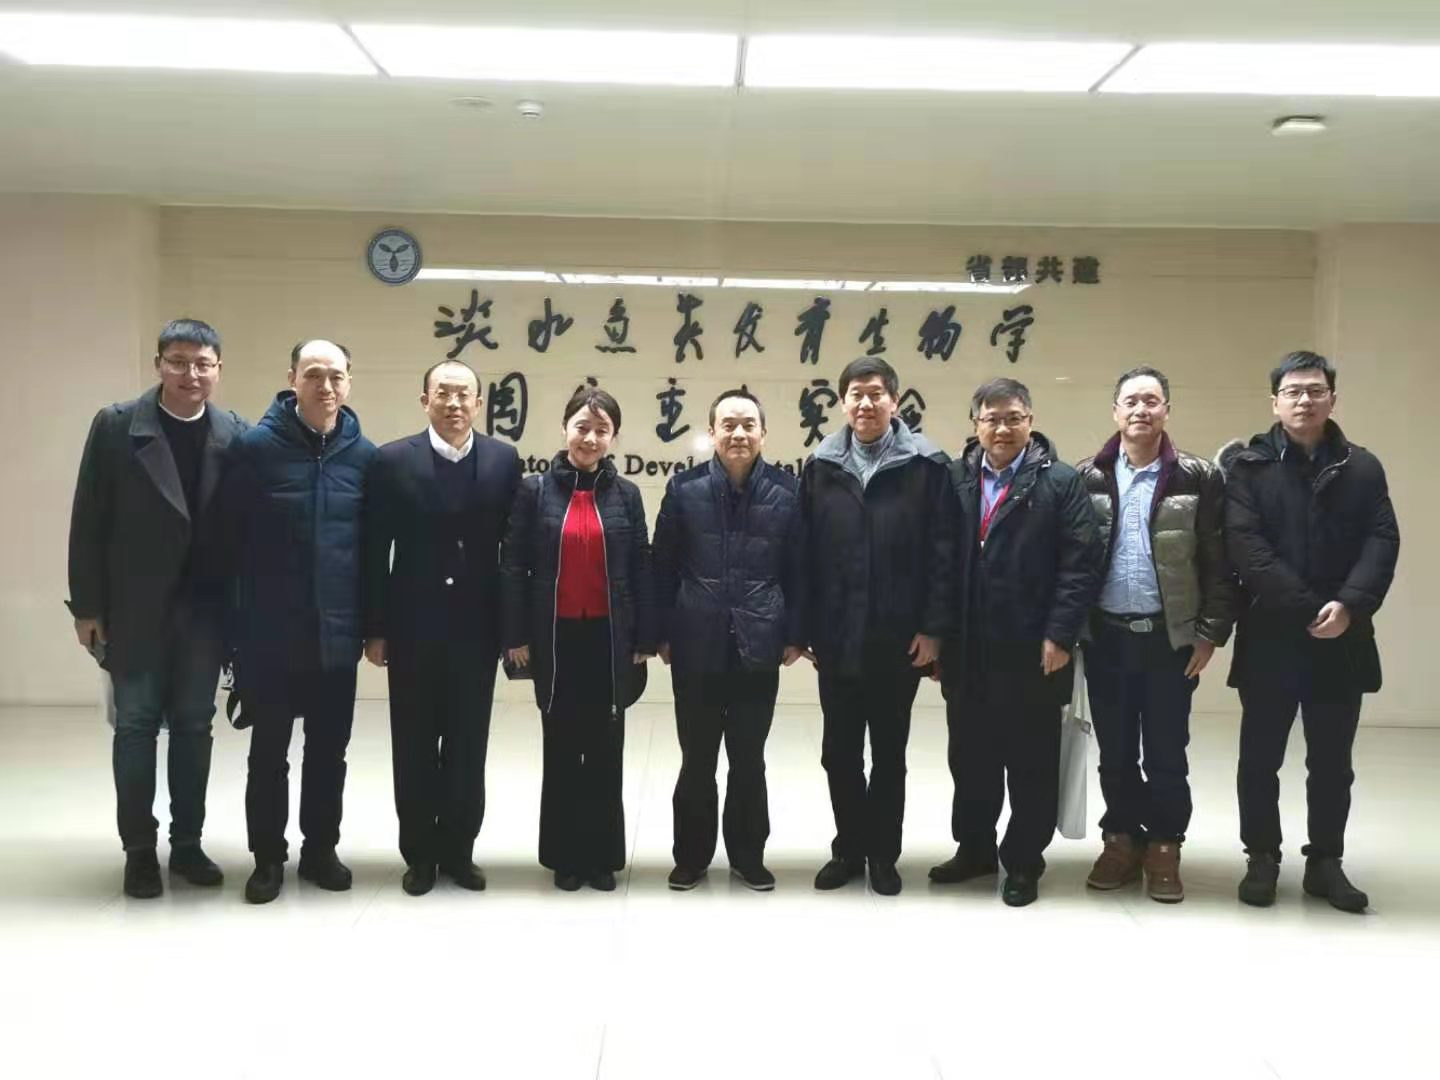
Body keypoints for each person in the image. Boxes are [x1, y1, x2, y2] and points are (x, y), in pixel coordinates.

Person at [67, 318, 246, 898]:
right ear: (158, 365)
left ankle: (187, 843)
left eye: (202, 363)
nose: (190, 373)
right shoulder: (118, 426)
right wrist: (88, 607)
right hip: (134, 607)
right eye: (178, 361)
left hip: (204, 611)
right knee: (137, 726)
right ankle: (139, 850)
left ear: (218, 369)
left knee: (194, 726)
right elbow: (88, 519)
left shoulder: (235, 433)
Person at [1224, 351, 1399, 913]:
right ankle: (1262, 857)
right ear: (1274, 401)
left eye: (1315, 390)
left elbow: (1382, 540)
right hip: (1272, 634)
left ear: (1332, 399)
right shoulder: (1248, 467)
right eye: (1293, 391)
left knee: (1332, 763)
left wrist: (1349, 605)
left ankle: (1325, 861)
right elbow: (1246, 547)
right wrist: (1307, 607)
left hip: (1341, 638)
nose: (1304, 400)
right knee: (1260, 759)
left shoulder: (1362, 467)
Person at [932, 377, 1104, 907]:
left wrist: (1060, 633)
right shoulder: (955, 478)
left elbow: (1081, 563)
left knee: (1031, 763)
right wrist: (939, 634)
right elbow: (938, 560)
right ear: (976, 424)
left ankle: (1025, 861)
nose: (1002, 428)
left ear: (1030, 421)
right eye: (992, 418)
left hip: (1034, 649)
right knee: (971, 759)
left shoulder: (1060, 482)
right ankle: (975, 849)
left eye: (1013, 418)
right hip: (968, 649)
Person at [219, 339, 377, 904]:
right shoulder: (253, 449)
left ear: (349, 381)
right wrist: (234, 633)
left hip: (337, 634)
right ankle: (267, 858)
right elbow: (227, 544)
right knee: (268, 754)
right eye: (313, 374)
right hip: (270, 636)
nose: (325, 386)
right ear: (292, 379)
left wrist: (371, 626)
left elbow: (372, 552)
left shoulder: (365, 456)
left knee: (329, 753)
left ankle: (320, 850)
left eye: (336, 375)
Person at [1075, 366, 1240, 903]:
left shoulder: (1198, 476)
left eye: (1151, 400)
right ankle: (1122, 840)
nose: (1140, 410)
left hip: (1170, 641)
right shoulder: (1087, 476)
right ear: (1115, 412)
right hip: (1107, 637)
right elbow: (1072, 561)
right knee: (1116, 751)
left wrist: (1210, 632)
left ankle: (1166, 844)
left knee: (1167, 750)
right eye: (1131, 401)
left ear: (1167, 409)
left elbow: (1219, 560)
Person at [800, 356, 958, 896]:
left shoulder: (928, 466)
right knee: (839, 753)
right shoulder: (821, 465)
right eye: (856, 394)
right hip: (838, 636)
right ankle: (849, 849)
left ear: (894, 400)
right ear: (843, 402)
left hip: (899, 638)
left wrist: (933, 629)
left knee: (889, 754)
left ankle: (883, 855)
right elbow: (805, 553)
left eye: (875, 393)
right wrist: (806, 628)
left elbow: (944, 553)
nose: (865, 403)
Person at [363, 360, 521, 896]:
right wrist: (376, 628)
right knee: (412, 744)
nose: (454, 404)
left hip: (477, 629)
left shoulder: (503, 460)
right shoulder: (392, 460)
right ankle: (419, 855)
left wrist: (512, 628)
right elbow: (375, 550)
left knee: (467, 744)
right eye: (443, 393)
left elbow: (513, 552)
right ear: (424, 399)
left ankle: (459, 851)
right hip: (412, 627)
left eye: (464, 395)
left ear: (479, 403)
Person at [500, 386, 655, 892]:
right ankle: (565, 857)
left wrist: (645, 635)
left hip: (610, 639)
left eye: (601, 430)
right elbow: (513, 565)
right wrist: (515, 635)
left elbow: (641, 566)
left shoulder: (626, 495)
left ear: (614, 437)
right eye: (582, 427)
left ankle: (602, 857)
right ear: (565, 429)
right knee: (563, 749)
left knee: (606, 750)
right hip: (556, 638)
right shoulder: (534, 491)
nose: (590, 438)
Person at [653, 388, 807, 892]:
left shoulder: (788, 490)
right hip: (695, 643)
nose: (738, 433)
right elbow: (662, 565)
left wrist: (795, 633)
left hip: (758, 643)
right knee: (697, 759)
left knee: (748, 759)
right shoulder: (684, 489)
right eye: (728, 425)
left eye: (748, 425)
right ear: (711, 432)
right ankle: (691, 858)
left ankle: (748, 856)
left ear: (763, 432)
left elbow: (801, 569)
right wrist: (661, 631)